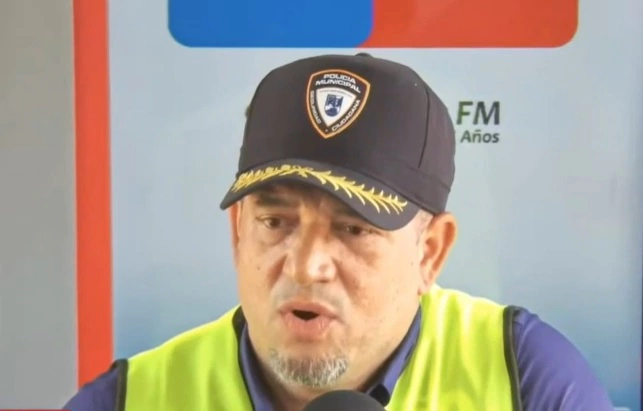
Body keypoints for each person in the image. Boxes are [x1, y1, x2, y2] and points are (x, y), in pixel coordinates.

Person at [64, 53, 614, 411]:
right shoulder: (132, 399)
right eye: (275, 222)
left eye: (353, 228)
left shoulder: (524, 378)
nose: (305, 266)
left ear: (429, 252)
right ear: (238, 232)